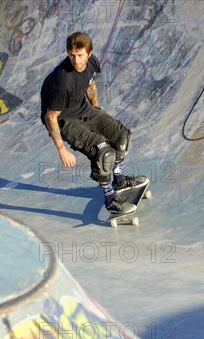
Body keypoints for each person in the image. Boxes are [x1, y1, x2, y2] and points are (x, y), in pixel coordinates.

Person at [40, 32, 147, 214]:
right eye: (71, 55)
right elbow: (51, 117)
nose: (75, 60)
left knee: (121, 135)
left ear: (89, 54)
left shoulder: (93, 63)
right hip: (64, 121)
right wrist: (61, 149)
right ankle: (110, 199)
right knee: (103, 153)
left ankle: (119, 180)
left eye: (80, 55)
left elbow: (90, 84)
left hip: (84, 110)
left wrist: (96, 109)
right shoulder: (62, 81)